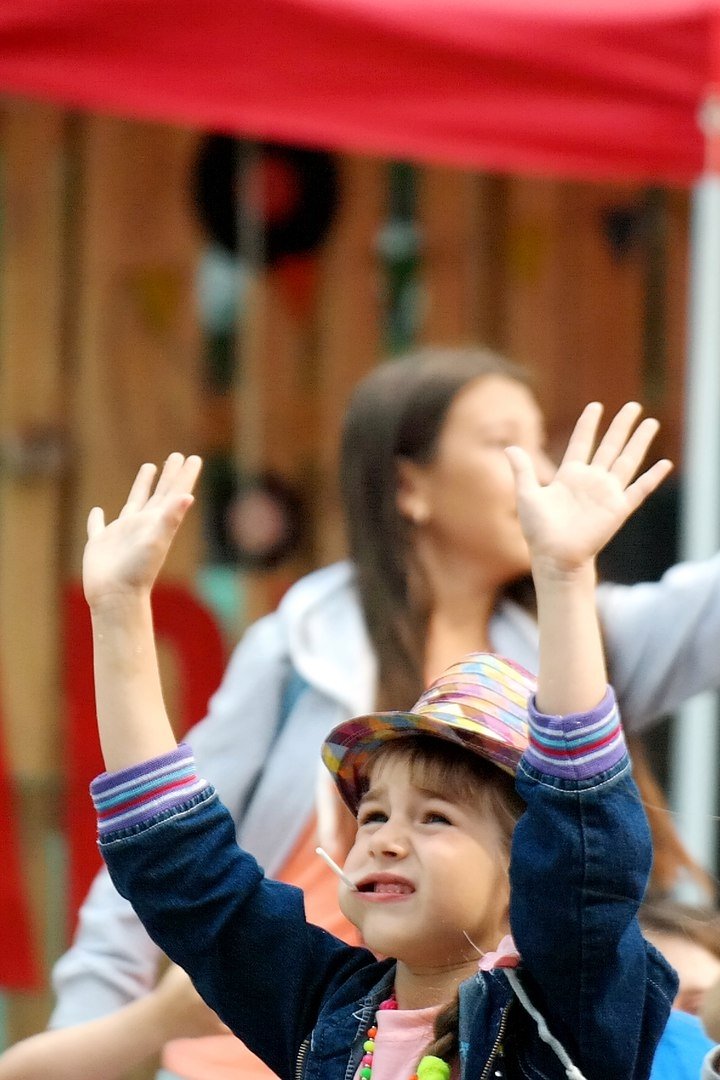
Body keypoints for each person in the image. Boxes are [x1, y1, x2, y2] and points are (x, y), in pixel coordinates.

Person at [5, 347, 718, 1080]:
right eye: (371, 816)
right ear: (408, 484)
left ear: (526, 868)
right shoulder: (326, 1013)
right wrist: (120, 614)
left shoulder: (559, 1014)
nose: (382, 840)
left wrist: (566, 575)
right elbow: (181, 867)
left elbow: (583, 841)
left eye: (435, 818)